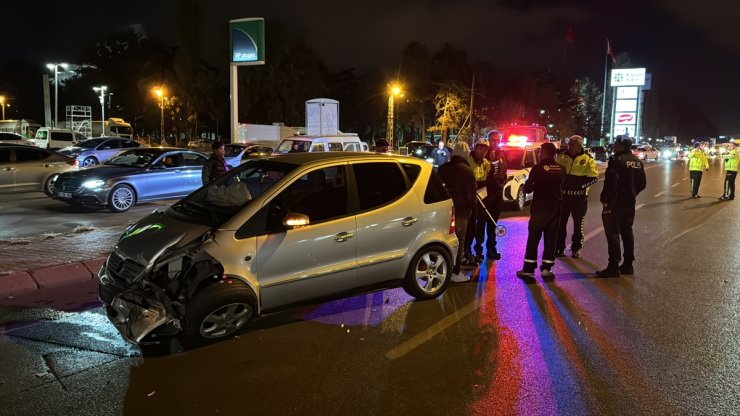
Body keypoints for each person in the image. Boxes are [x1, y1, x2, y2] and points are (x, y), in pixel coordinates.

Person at [596, 136, 647, 278]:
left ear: (621, 146)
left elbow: (611, 181)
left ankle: (613, 266)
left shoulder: (617, 160)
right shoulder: (637, 161)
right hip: (629, 203)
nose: (614, 146)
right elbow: (642, 183)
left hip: (615, 203)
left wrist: (605, 199)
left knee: (613, 234)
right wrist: (631, 193)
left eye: (616, 144)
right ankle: (628, 265)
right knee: (627, 232)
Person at [516, 143, 563, 280]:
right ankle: (547, 269)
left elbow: (528, 188)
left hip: (540, 209)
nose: (539, 153)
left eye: (540, 151)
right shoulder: (562, 169)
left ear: (544, 153)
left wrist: (528, 185)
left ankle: (529, 270)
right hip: (556, 209)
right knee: (551, 240)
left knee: (533, 240)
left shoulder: (538, 169)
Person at [438, 142, 477, 282]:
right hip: (461, 211)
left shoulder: (442, 169)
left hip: (444, 210)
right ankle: (456, 272)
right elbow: (471, 195)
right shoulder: (467, 171)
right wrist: (473, 207)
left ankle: (442, 270)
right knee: (459, 240)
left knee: (444, 240)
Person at [555, 135, 599, 259]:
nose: (571, 147)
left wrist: (582, 186)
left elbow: (594, 178)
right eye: (570, 144)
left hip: (580, 198)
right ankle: (559, 247)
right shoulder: (561, 157)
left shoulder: (588, 159)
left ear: (579, 146)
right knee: (561, 224)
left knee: (578, 225)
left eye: (574, 145)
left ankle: (576, 248)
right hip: (564, 197)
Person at [466, 138, 492, 263]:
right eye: (480, 148)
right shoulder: (468, 160)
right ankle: (467, 251)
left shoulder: (486, 162)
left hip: (482, 197)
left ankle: (479, 249)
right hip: (470, 197)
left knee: (481, 224)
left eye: (485, 149)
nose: (483, 151)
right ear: (475, 148)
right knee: (470, 226)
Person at [484, 130, 507, 260]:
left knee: (493, 223)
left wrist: (502, 180)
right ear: (488, 140)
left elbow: (504, 171)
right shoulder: (484, 154)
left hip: (497, 194)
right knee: (482, 223)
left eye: (498, 140)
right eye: (493, 140)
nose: (495, 143)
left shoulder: (501, 154)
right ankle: (478, 250)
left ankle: (491, 248)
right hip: (486, 195)